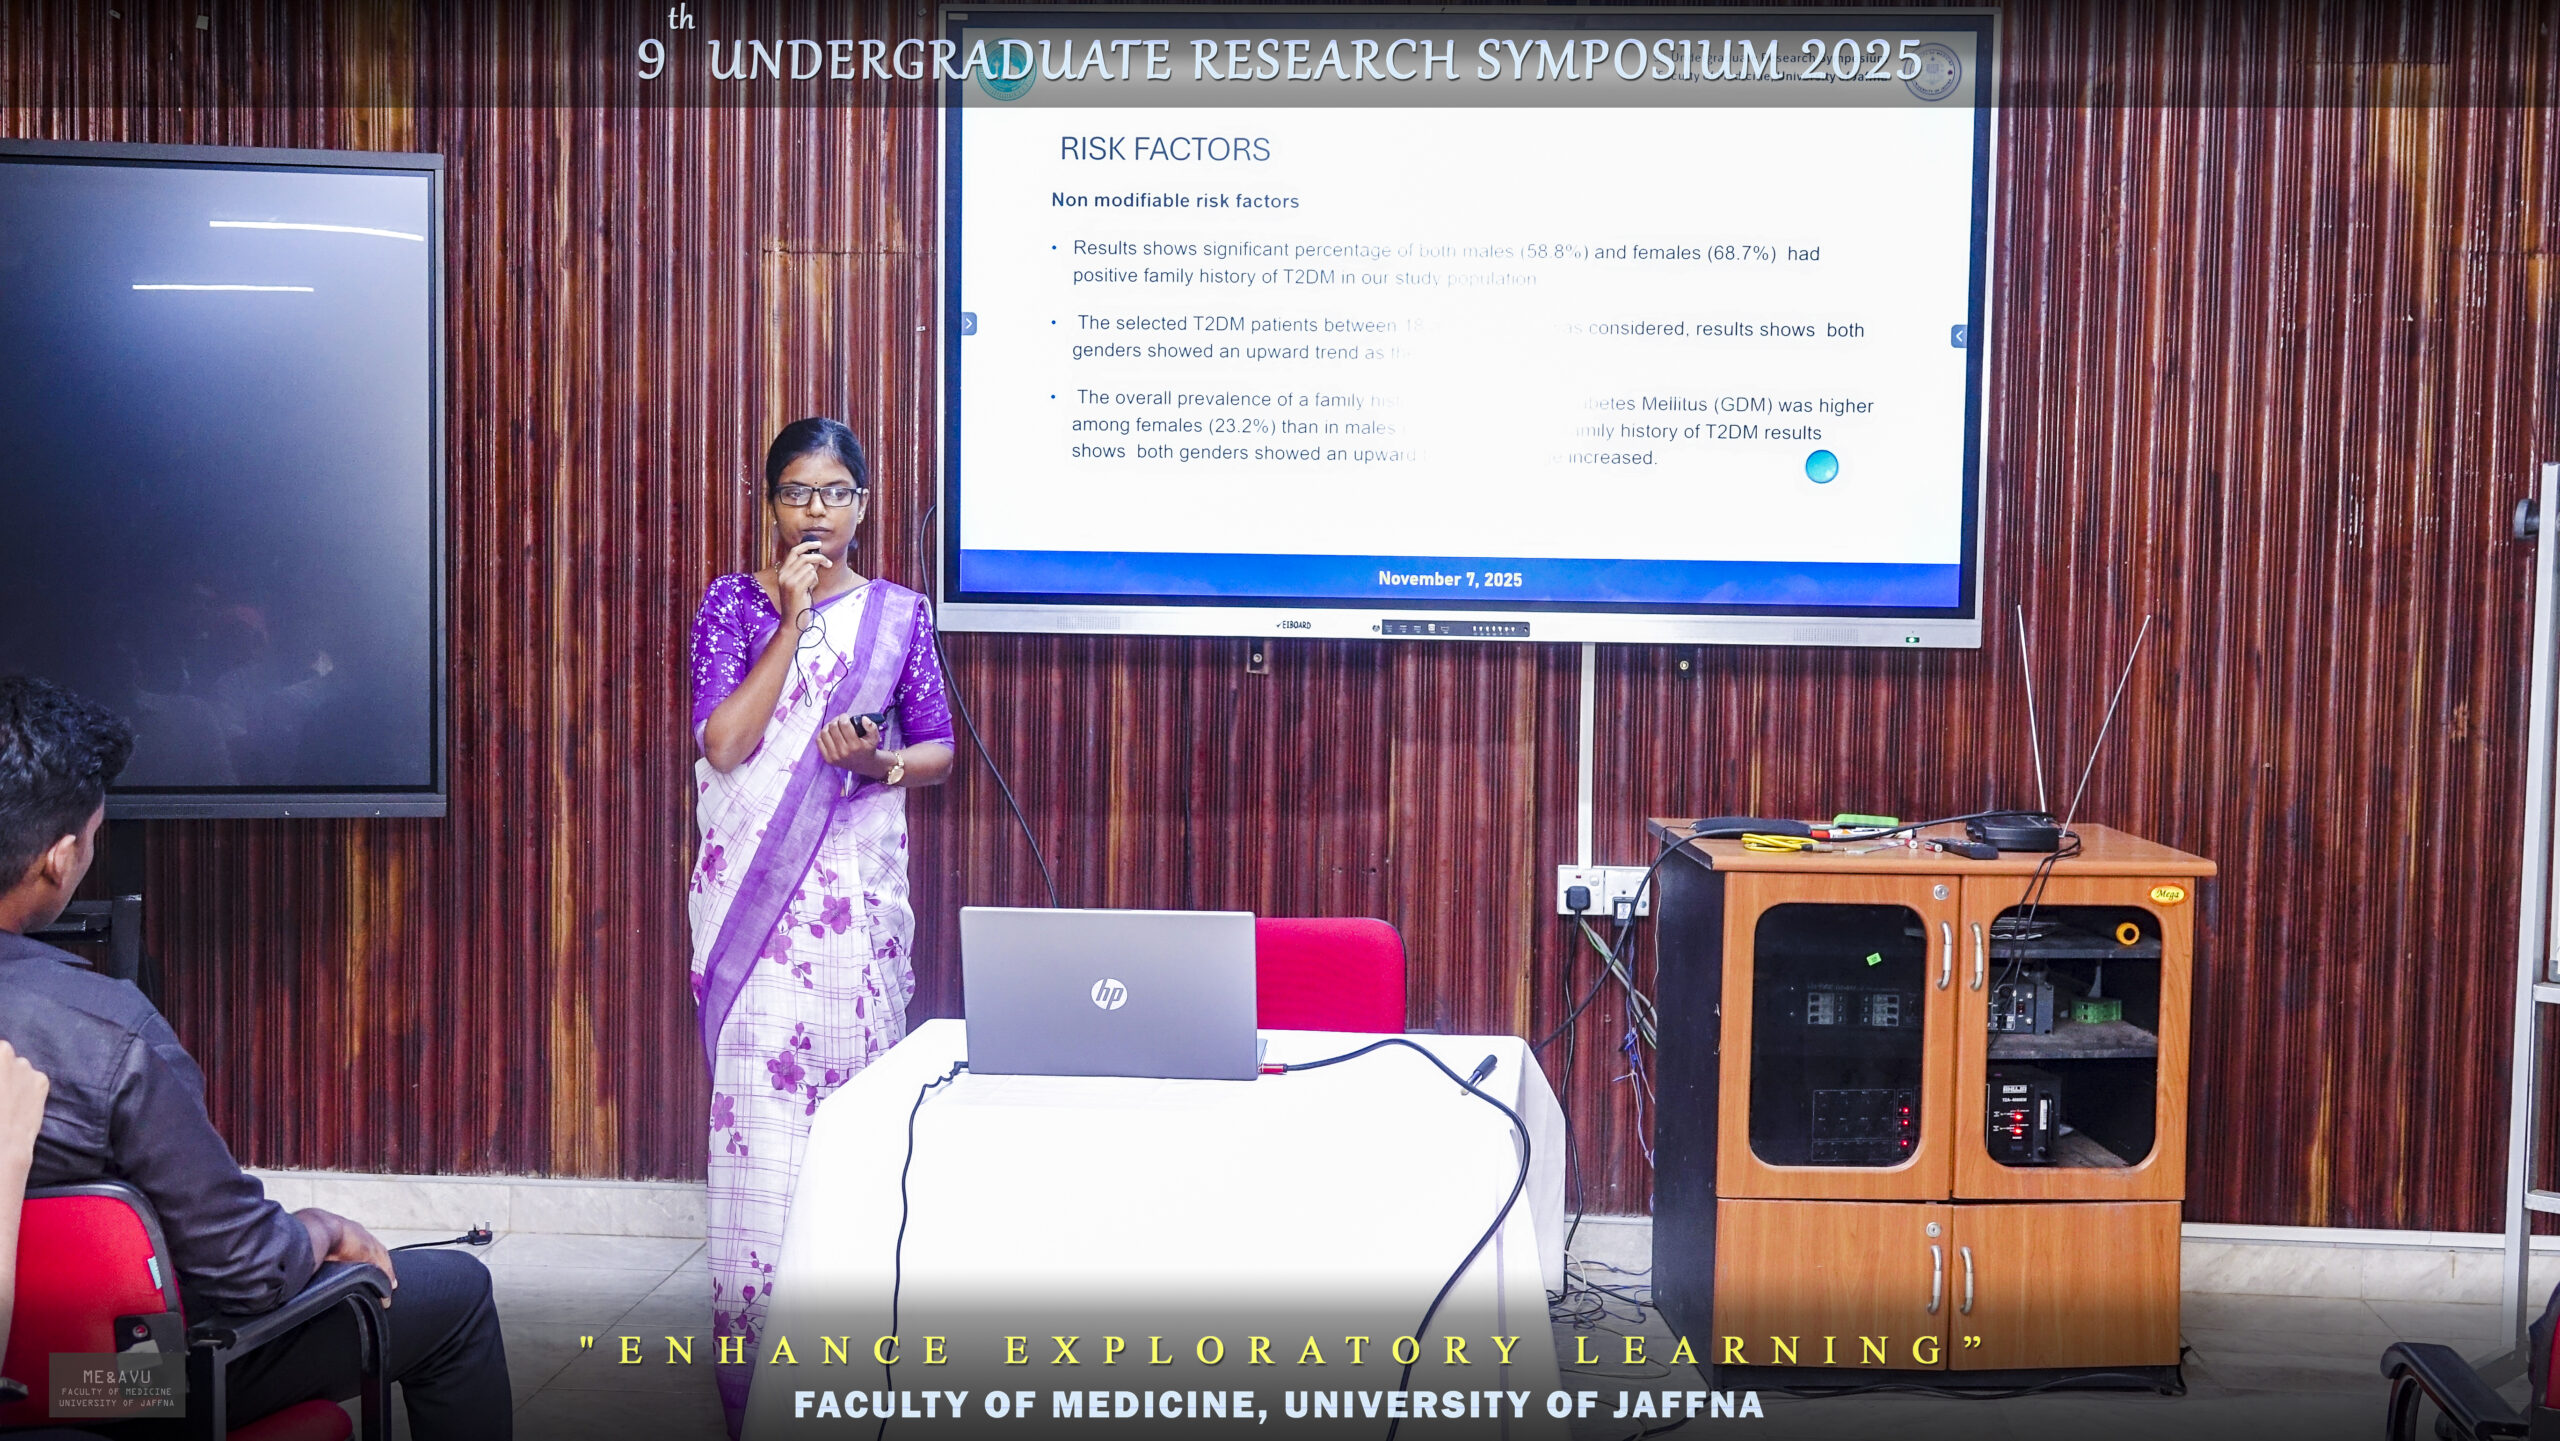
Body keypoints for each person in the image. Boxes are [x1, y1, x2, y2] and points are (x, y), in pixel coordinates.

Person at [0, 675, 511, 1439]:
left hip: (17, 1387)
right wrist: (318, 1225)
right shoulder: (109, 1033)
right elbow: (244, 1269)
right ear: (61, 857)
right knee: (458, 1290)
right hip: (108, 1389)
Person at [688, 417, 955, 1433]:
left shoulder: (899, 616)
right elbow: (724, 745)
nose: (817, 511)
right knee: (762, 1144)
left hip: (854, 920)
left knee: (852, 1135)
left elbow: (935, 750)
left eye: (836, 492)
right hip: (758, 929)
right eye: (798, 492)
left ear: (864, 505)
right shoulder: (733, 604)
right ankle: (755, 1392)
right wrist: (793, 623)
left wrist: (874, 763)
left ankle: (849, 1380)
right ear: (770, 504)